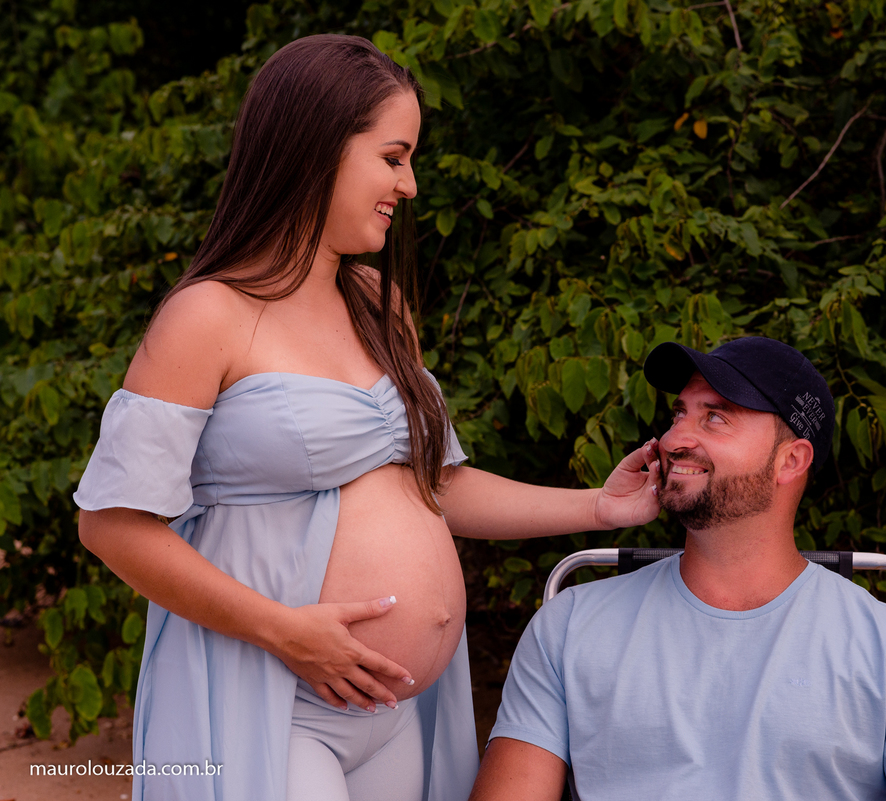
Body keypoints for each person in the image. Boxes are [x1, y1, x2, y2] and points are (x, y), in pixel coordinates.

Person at [74, 35, 660, 801]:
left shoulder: (378, 302)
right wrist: (284, 629)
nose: (408, 184)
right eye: (393, 157)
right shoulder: (206, 316)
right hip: (276, 698)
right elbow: (112, 523)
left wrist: (597, 506)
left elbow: (437, 486)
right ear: (317, 147)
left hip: (400, 712)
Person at [471, 337, 886, 801]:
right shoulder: (570, 626)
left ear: (791, 460)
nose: (676, 438)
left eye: (715, 416)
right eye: (679, 413)